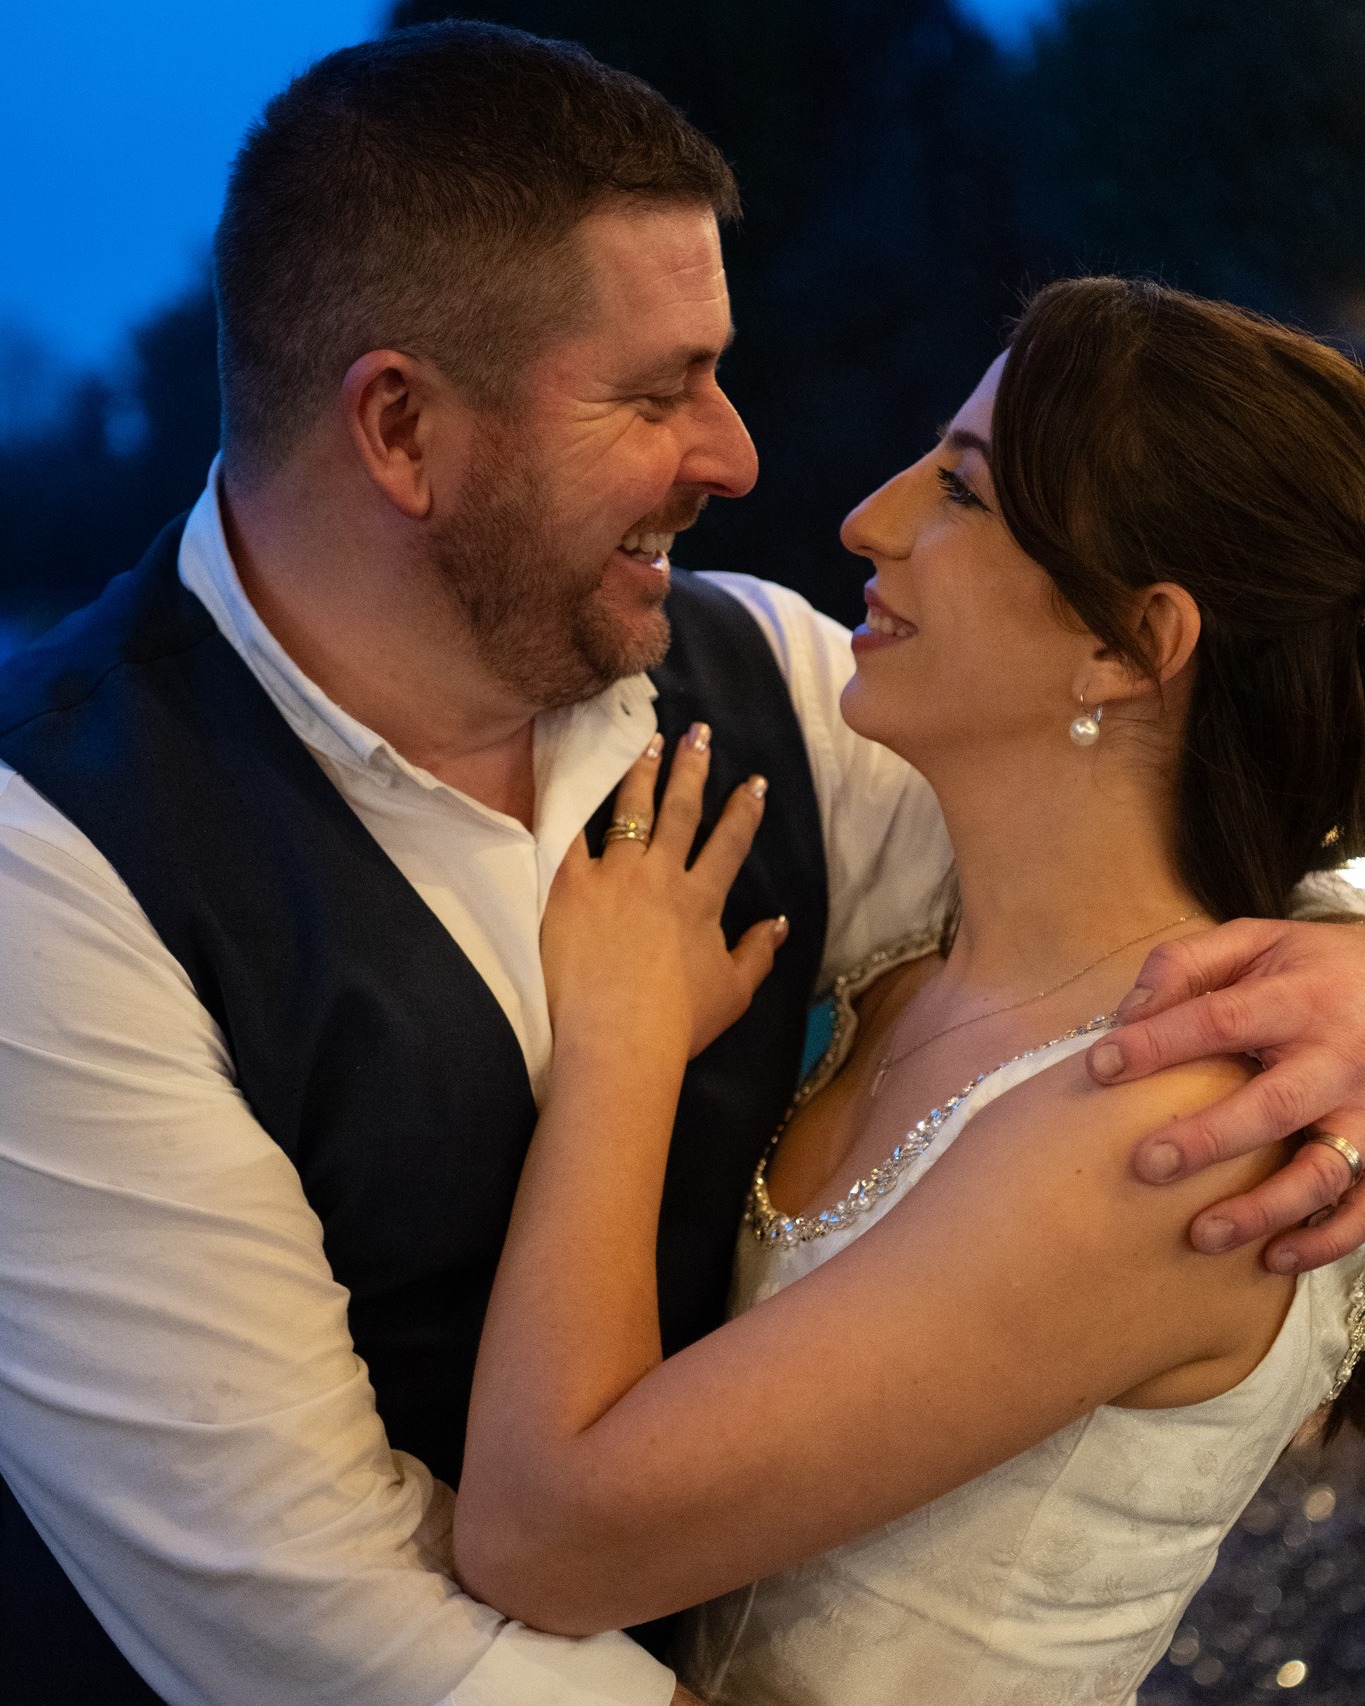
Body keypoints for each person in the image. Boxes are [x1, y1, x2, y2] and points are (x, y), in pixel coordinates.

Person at [0, 20, 1361, 1704]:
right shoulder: (50, 865)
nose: (743, 460)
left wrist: (1354, 956)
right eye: (656, 393)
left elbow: (1176, 803)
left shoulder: (768, 686)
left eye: (717, 368)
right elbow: (308, 1616)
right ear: (401, 429)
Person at [451, 279, 1365, 1705]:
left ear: (1130, 645)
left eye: (960, 491)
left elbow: (541, 1539)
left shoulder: (1166, 1127)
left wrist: (621, 1044)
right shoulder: (904, 960)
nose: (866, 521)